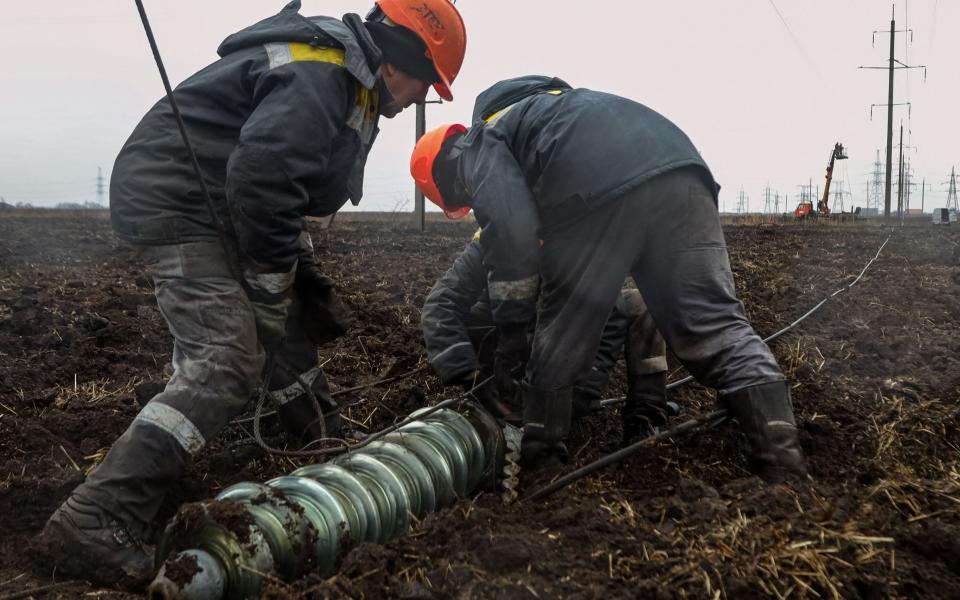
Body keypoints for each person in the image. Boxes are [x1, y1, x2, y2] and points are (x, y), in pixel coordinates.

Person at [40, 0, 466, 584]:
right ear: (401, 60)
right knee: (228, 360)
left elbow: (279, 186)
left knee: (286, 317)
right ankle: (95, 516)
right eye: (428, 84)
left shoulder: (345, 79)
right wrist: (273, 288)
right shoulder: (323, 75)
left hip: (221, 201)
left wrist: (298, 275)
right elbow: (263, 177)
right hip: (185, 198)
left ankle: (320, 434)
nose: (423, 98)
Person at [409, 75, 806, 481]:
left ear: (448, 175)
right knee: (716, 325)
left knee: (562, 333)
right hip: (686, 173)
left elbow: (511, 229)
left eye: (467, 199)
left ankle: (541, 463)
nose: (475, 204)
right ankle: (783, 463)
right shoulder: (564, 111)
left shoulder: (479, 141)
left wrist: (513, 335)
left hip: (597, 190)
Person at [421, 230, 674, 443]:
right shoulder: (492, 235)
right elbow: (440, 304)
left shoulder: (582, 236)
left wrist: (585, 389)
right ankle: (500, 395)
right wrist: (469, 374)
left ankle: (645, 416)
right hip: (506, 326)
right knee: (466, 326)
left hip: (563, 324)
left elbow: (611, 311)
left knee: (642, 305)